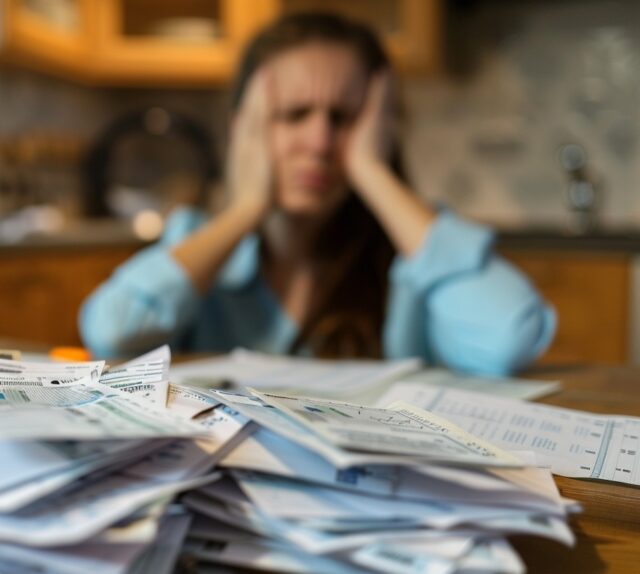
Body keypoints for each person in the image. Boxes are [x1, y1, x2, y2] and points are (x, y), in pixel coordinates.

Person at [78, 12, 555, 376]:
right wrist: (246, 207)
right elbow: (110, 332)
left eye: (344, 118)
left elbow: (508, 339)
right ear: (244, 129)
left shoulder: (416, 251)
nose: (321, 143)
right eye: (293, 114)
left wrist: (372, 169)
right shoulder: (199, 245)